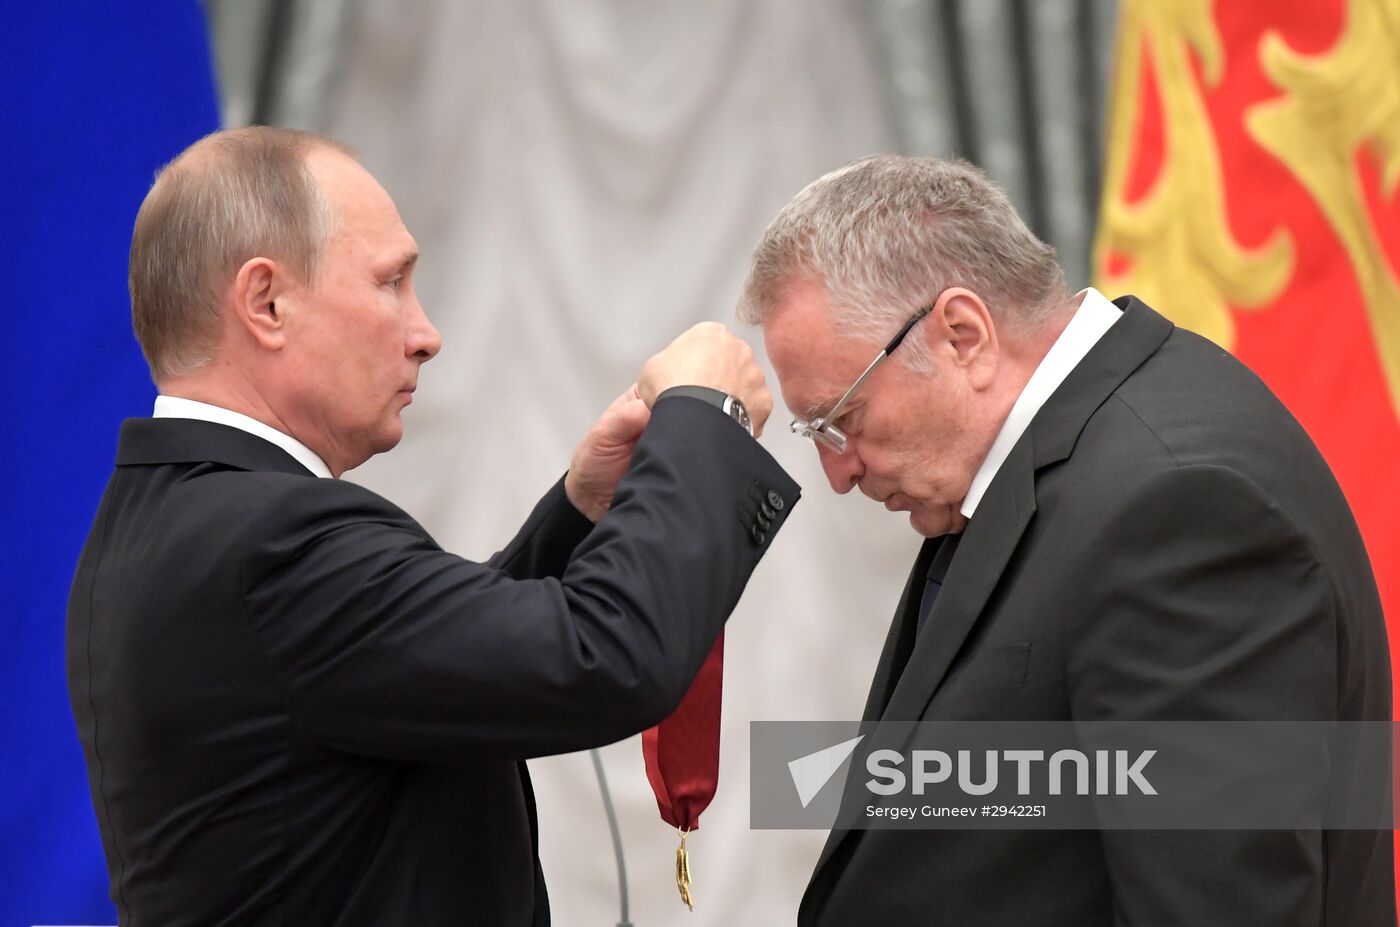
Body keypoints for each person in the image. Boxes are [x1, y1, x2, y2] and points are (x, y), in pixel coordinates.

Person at [66, 126, 798, 926]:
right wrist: (705, 419)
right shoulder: (272, 541)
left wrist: (581, 510)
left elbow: (426, 666)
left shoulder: (172, 517)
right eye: (391, 283)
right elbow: (607, 658)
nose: (426, 333)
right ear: (267, 302)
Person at [737, 156, 1393, 925]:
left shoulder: (1182, 507)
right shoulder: (1052, 460)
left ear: (962, 334)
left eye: (842, 418)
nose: (838, 471)